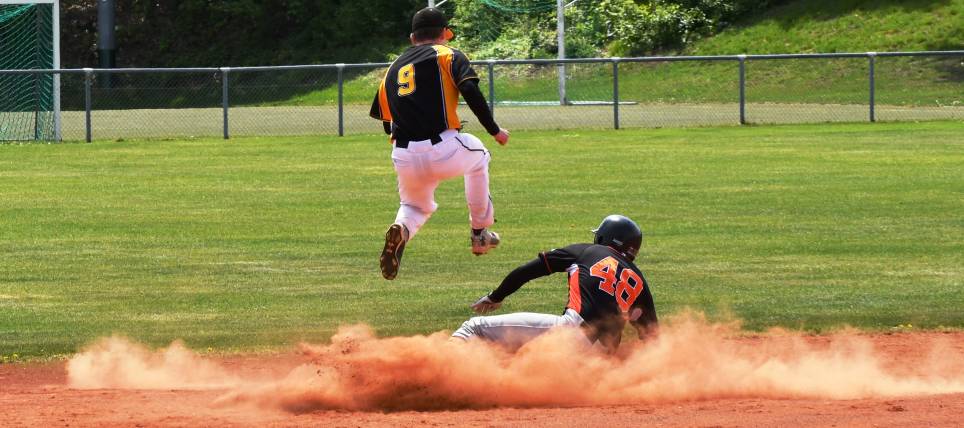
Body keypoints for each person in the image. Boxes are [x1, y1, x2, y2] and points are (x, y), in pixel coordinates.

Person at [370, 7, 510, 281]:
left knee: (414, 207)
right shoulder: (448, 55)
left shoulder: (393, 68)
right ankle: (480, 233)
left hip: (403, 154)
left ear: (412, 38)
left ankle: (401, 229)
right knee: (479, 155)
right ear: (446, 34)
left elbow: (385, 119)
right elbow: (469, 88)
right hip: (444, 147)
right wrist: (494, 130)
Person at [451, 215, 658, 352]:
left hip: (571, 334)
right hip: (601, 360)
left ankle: (434, 374)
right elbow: (652, 338)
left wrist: (496, 296)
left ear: (605, 237)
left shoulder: (587, 251)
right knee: (522, 354)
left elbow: (527, 271)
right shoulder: (639, 282)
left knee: (474, 328)